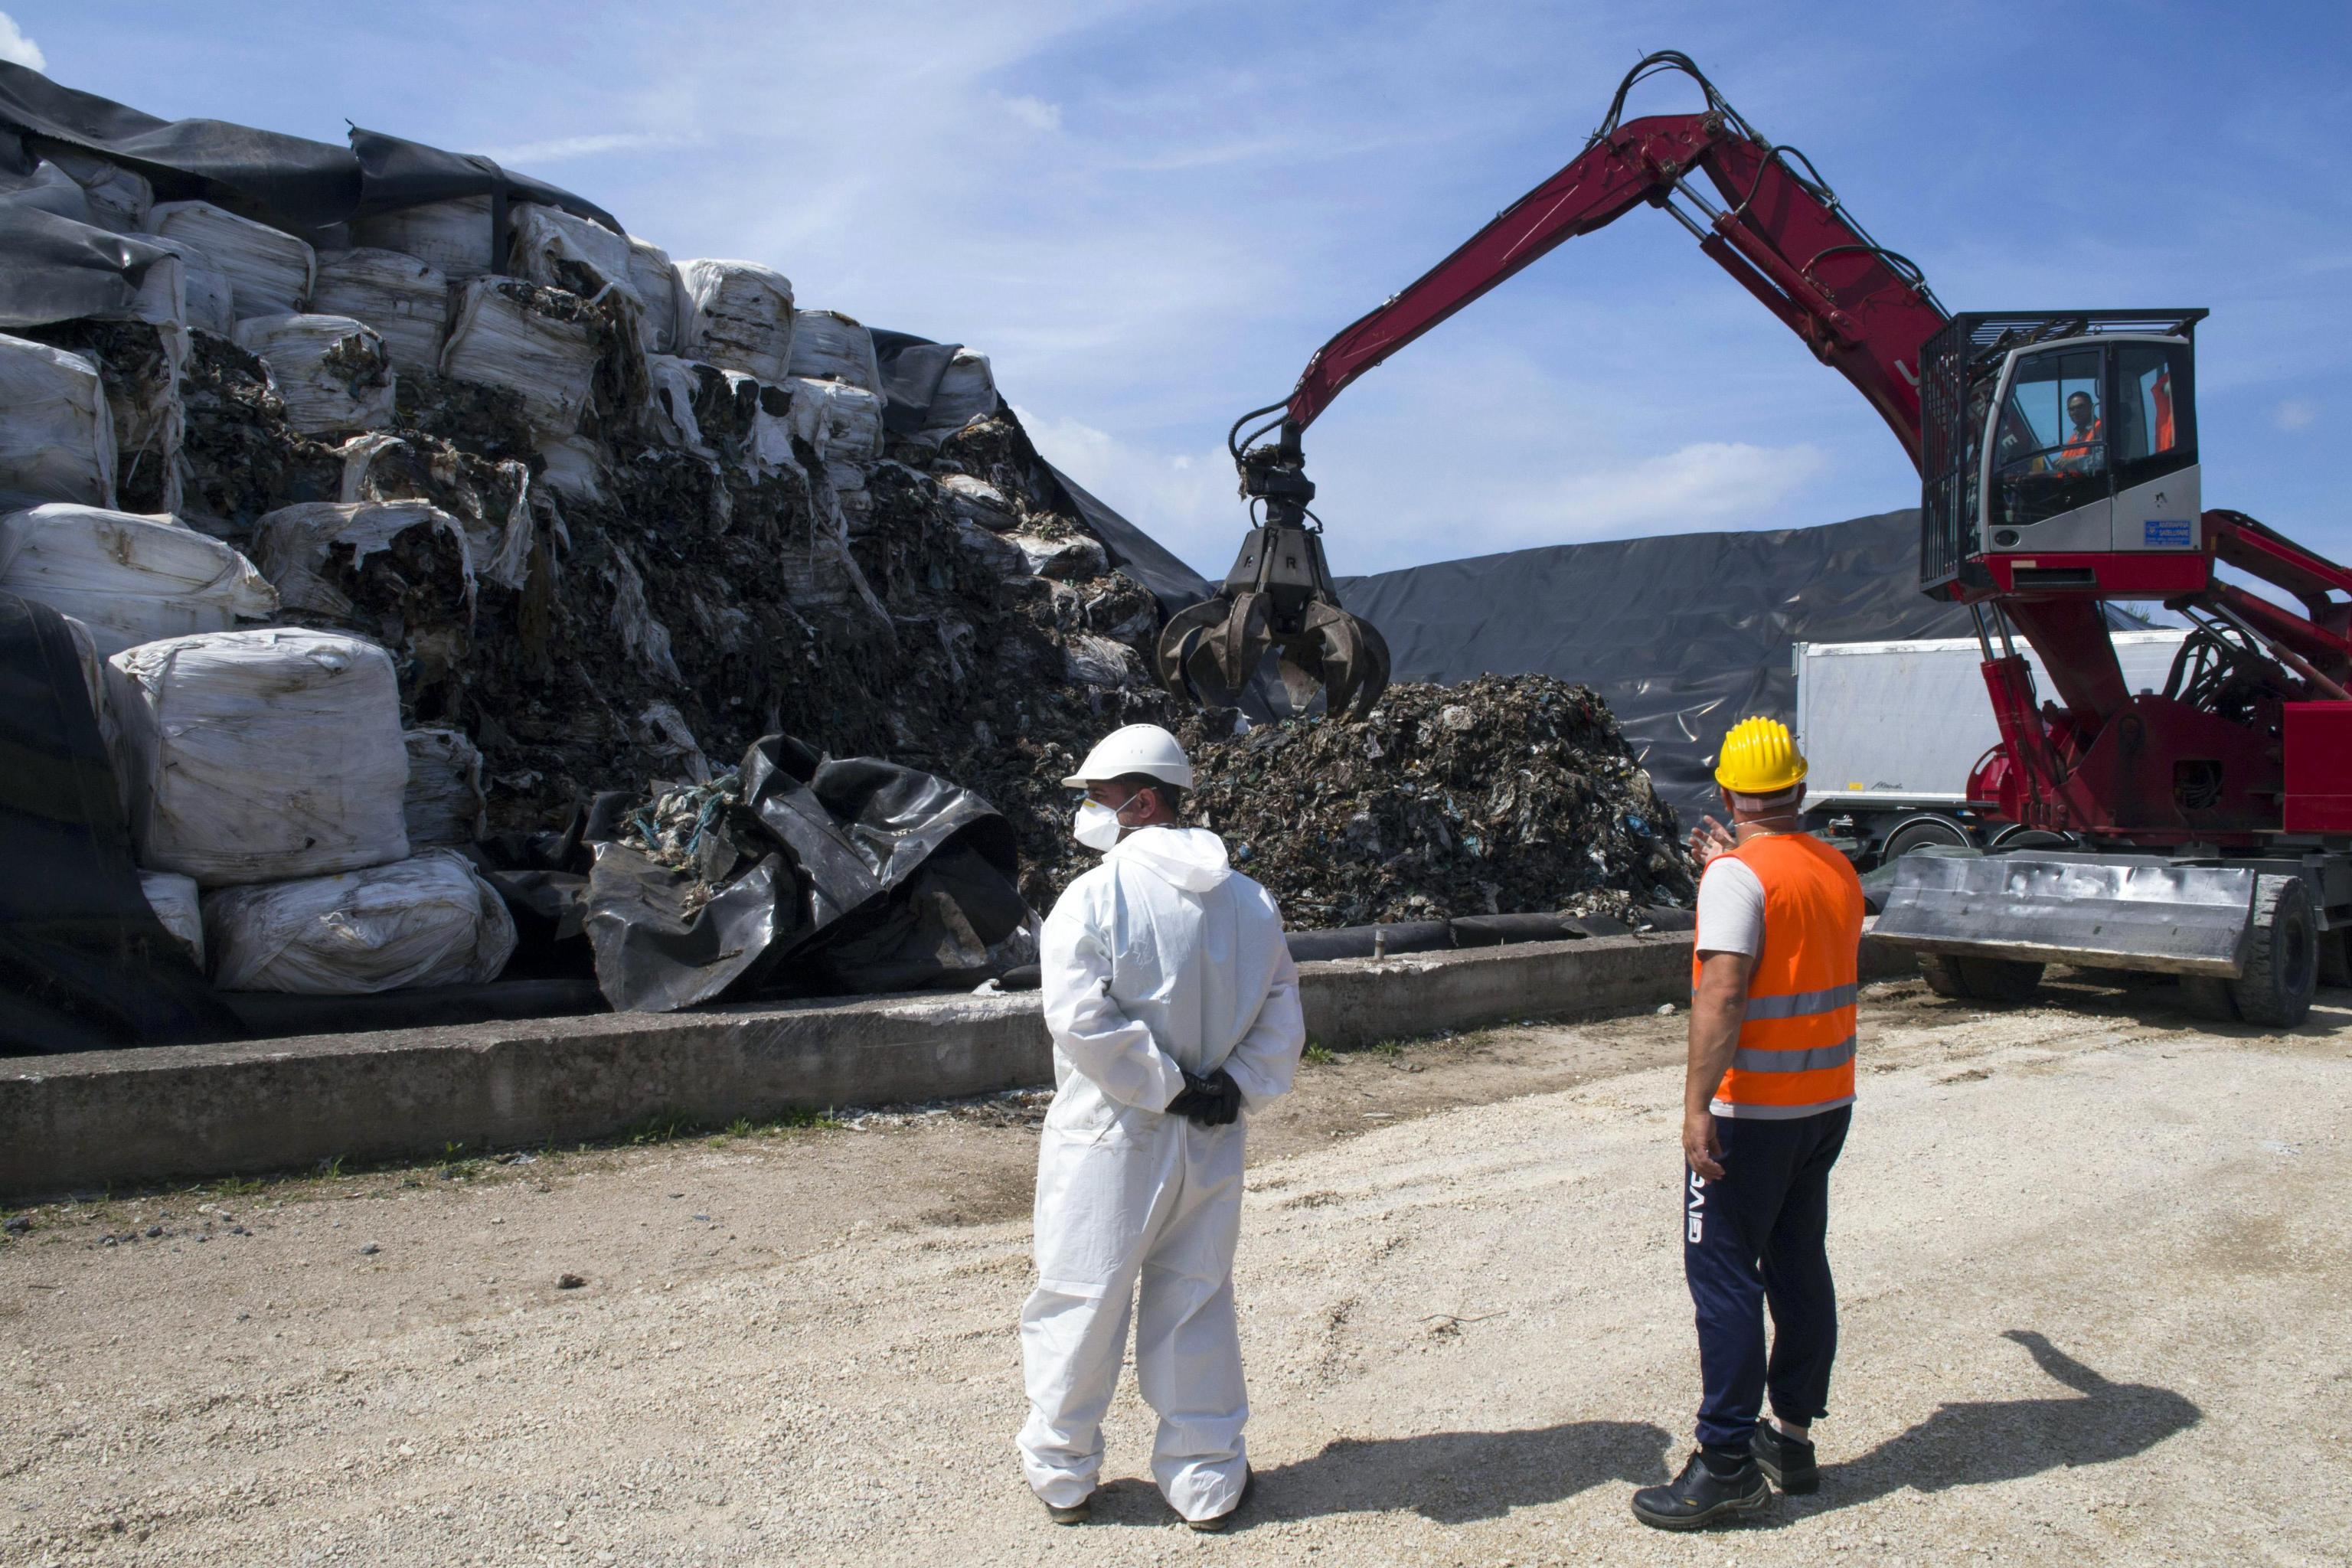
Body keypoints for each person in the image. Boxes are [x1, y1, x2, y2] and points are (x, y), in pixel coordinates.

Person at [1017, 722, 1305, 1531]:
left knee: (1081, 1294)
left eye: (1099, 798)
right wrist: (1230, 1087)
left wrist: (1165, 1086)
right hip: (1211, 1134)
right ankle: (1206, 1478)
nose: (1089, 813)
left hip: (1114, 1137)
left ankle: (1063, 1474)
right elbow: (1284, 1013)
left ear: (1143, 801)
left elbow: (1078, 1017)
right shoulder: (1250, 899)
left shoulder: (1095, 896)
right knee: (1197, 1299)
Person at [1633, 716, 1864, 1530]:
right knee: (1800, 1260)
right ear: (1798, 786)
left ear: (1729, 790)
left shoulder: (1738, 876)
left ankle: (1725, 1460)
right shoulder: (1836, 864)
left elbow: (1725, 992)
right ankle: (1790, 1439)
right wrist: (1731, 870)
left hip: (1750, 1113)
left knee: (1725, 1276)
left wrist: (1695, 1106)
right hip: (1825, 1104)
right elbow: (1794, 930)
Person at [2050, 389, 2102, 474]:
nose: (2076, 412)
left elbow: (2105, 460)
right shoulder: (2074, 438)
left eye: (2080, 407)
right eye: (2072, 409)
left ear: (2091, 407)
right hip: (2070, 484)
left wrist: (2076, 462)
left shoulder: (2101, 428)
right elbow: (2063, 472)